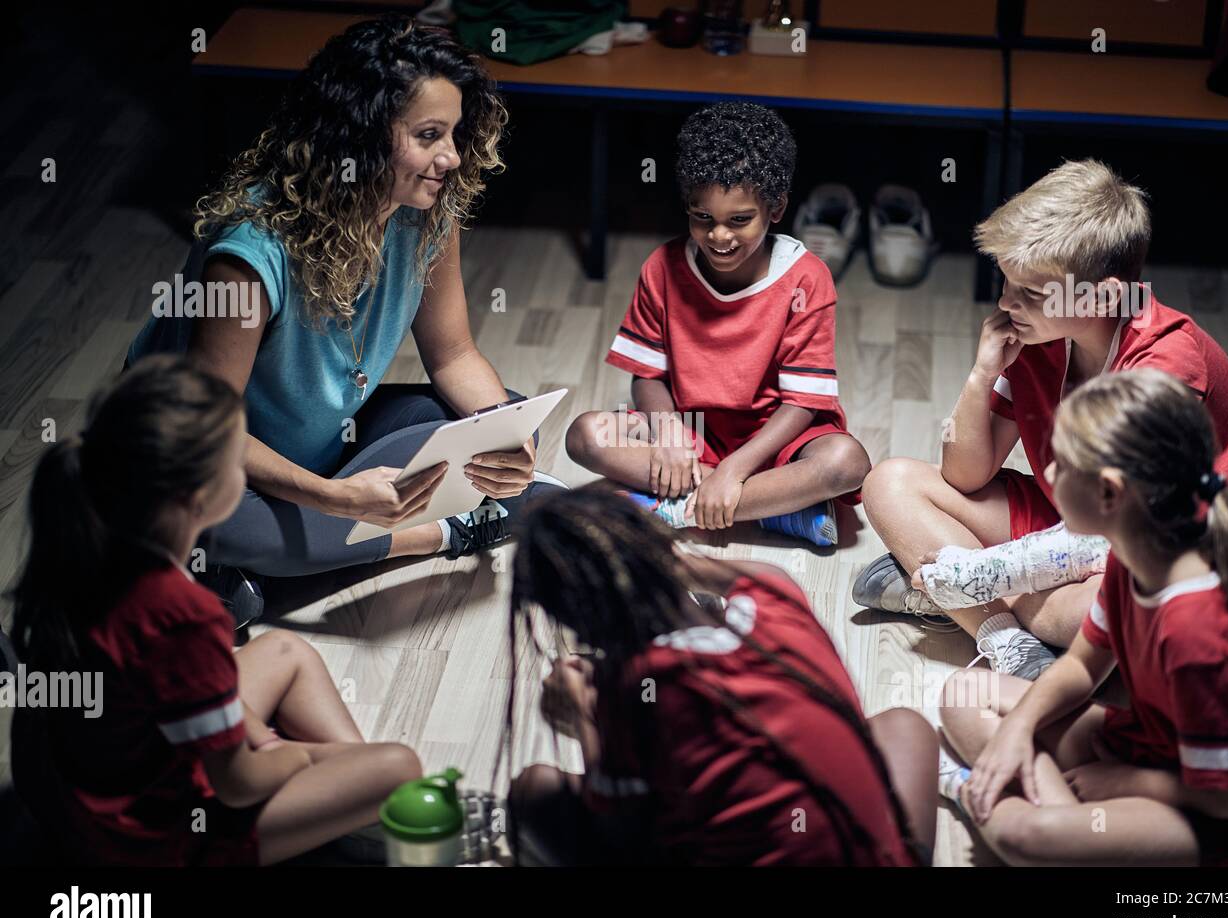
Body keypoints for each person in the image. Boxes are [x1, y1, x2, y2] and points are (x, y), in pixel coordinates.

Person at [129, 16, 562, 625]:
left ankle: (263, 570)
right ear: (359, 136)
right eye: (430, 134)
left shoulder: (427, 213)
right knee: (229, 521)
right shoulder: (249, 254)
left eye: (456, 133)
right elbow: (208, 428)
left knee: (489, 416)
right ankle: (443, 532)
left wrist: (510, 440)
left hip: (326, 444)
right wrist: (336, 500)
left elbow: (454, 356)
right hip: (214, 468)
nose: (451, 157)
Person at [854, 159, 1228, 679]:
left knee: (1090, 613)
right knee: (888, 483)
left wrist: (987, 571)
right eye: (1005, 282)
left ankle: (953, 600)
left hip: (1158, 548)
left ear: (1106, 294)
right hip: (1072, 519)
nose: (1006, 303)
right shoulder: (1040, 337)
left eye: (1030, 293)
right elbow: (965, 476)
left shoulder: (1169, 365)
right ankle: (1004, 638)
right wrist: (981, 373)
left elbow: (1121, 527)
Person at [9, 356, 423, 865]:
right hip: (151, 840)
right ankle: (349, 811)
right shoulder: (182, 613)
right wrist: (294, 756)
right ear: (199, 496)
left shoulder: (89, 550)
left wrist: (257, 741)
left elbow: (181, 684)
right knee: (397, 767)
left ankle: (341, 810)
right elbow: (237, 784)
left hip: (84, 795)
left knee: (285, 650)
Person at [939, 369, 1228, 866]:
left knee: (1029, 837)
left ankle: (1002, 803)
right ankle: (1058, 819)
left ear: (1109, 493)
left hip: (1214, 813)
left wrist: (1128, 783)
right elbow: (1083, 668)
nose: (1048, 472)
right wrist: (1018, 731)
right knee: (964, 694)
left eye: (1060, 465)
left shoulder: (1200, 631)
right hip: (1148, 743)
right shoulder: (1134, 557)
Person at [503, 488, 936, 866]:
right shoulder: (774, 594)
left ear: (580, 626)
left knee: (534, 790)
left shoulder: (638, 686)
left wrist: (582, 713)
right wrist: (646, 549)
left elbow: (620, 825)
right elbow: (711, 571)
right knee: (904, 725)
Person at [565, 102, 870, 548]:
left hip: (777, 437)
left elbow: (804, 402)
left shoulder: (808, 278)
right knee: (586, 435)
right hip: (693, 429)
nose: (719, 236)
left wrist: (732, 470)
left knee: (846, 462)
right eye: (702, 217)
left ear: (777, 207)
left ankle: (677, 505)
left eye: (739, 220)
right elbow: (647, 374)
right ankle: (775, 509)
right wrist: (669, 435)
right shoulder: (662, 267)